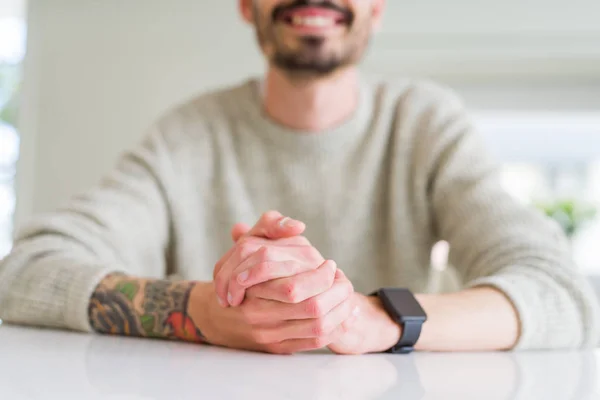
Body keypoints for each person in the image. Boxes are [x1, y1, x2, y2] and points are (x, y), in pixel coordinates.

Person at [0, 0, 598, 355]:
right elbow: (24, 274)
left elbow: (564, 294)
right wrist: (197, 309)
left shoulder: (424, 124)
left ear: (378, 8)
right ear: (245, 5)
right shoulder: (189, 135)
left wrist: (372, 317)